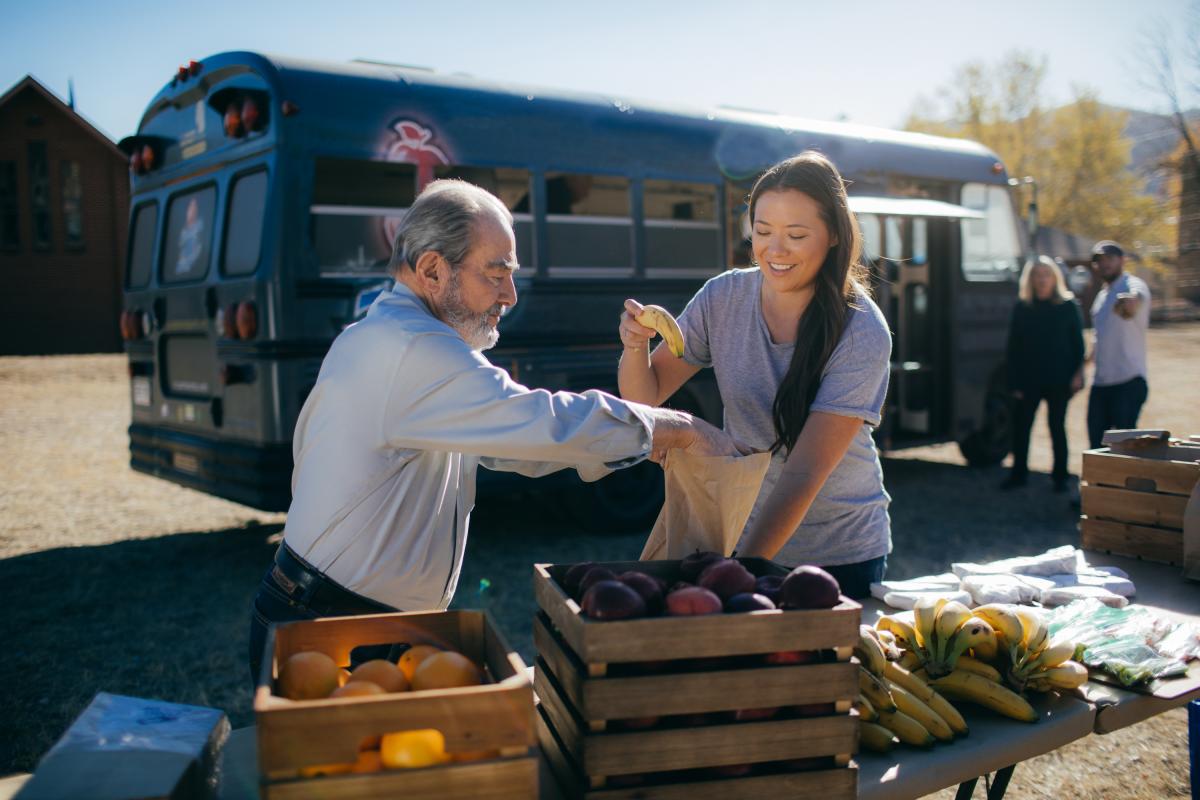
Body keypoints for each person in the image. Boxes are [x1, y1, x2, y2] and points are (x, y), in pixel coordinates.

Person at [248, 179, 741, 682]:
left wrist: (632, 441)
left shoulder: (389, 335)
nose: (510, 294)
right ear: (433, 270)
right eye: (496, 273)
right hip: (331, 626)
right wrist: (676, 428)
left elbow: (513, 447)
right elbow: (540, 423)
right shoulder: (412, 349)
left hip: (348, 616)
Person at [617, 152, 892, 599]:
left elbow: (804, 474)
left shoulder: (861, 329)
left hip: (840, 556)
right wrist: (634, 346)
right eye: (762, 232)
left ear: (836, 236)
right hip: (743, 536)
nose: (774, 250)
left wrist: (740, 571)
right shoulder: (723, 297)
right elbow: (645, 398)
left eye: (796, 235)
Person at [1001, 255, 1085, 492]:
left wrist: (1077, 375)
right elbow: (1013, 347)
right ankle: (1018, 475)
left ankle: (1060, 477)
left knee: (1056, 427)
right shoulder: (1022, 307)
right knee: (1022, 427)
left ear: (1054, 278)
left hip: (1059, 379)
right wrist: (1014, 381)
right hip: (1028, 379)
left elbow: (1078, 345)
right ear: (1030, 279)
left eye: (1046, 275)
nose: (1041, 280)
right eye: (1037, 275)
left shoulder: (1068, 306)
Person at [1086, 240, 1150, 449]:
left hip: (1128, 381)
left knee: (1124, 447)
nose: (1104, 264)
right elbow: (1099, 337)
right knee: (1097, 446)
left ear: (1122, 260)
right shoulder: (1101, 298)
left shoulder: (1132, 284)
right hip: (1101, 383)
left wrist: (1131, 302)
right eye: (1100, 261)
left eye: (1110, 259)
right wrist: (1082, 368)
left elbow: (1137, 296)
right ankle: (1100, 483)